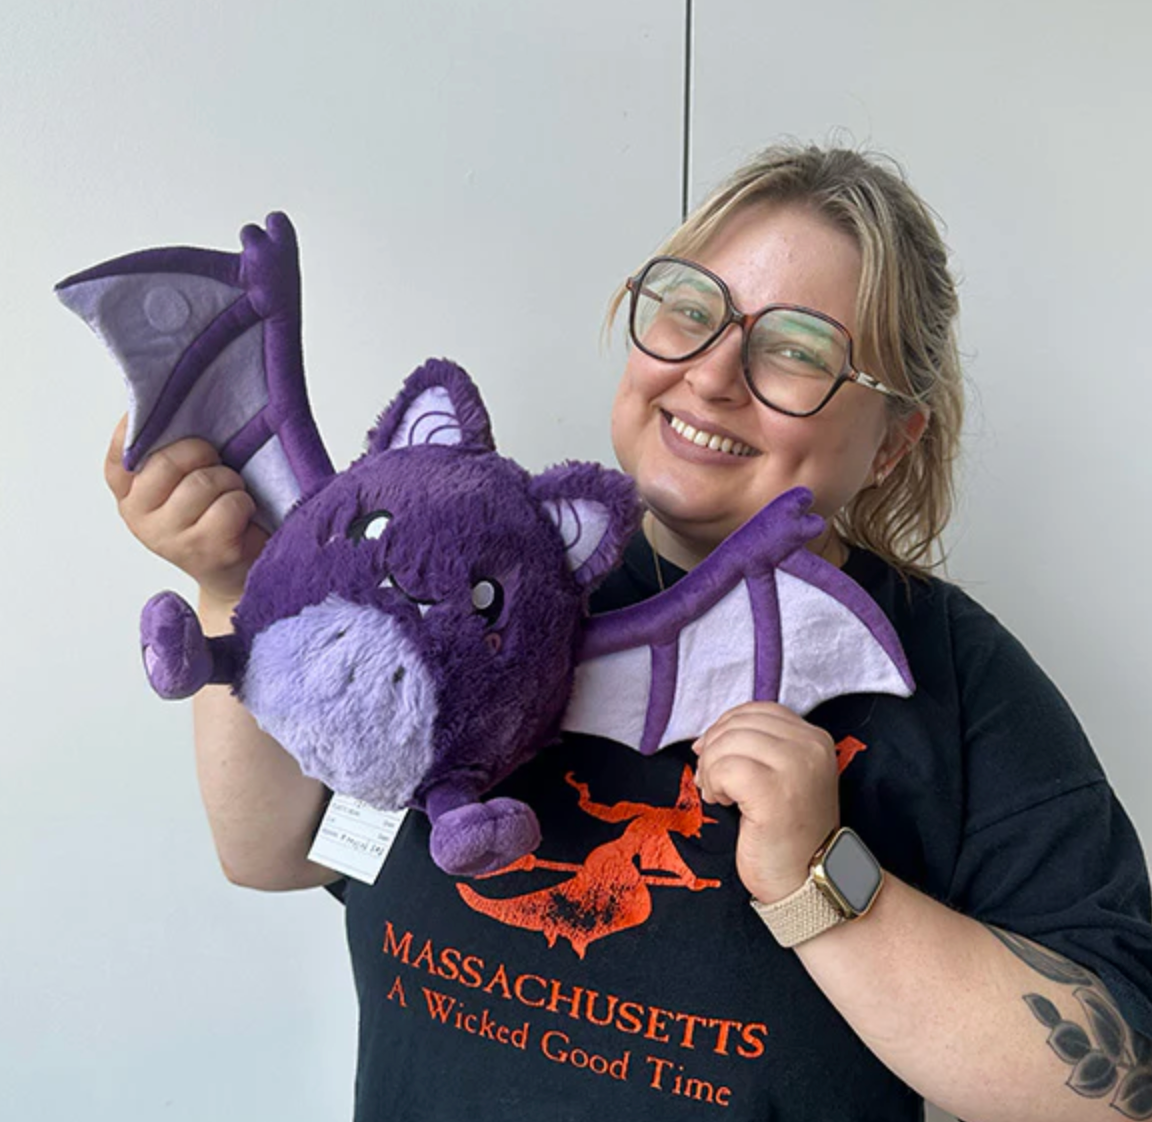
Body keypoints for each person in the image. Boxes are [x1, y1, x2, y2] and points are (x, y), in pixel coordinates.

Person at [105, 144, 1152, 1120]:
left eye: (796, 350)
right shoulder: (480, 574)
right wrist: (231, 580)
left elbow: (1118, 1089)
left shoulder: (951, 680)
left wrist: (823, 882)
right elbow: (277, 851)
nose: (709, 373)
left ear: (892, 443)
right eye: (690, 308)